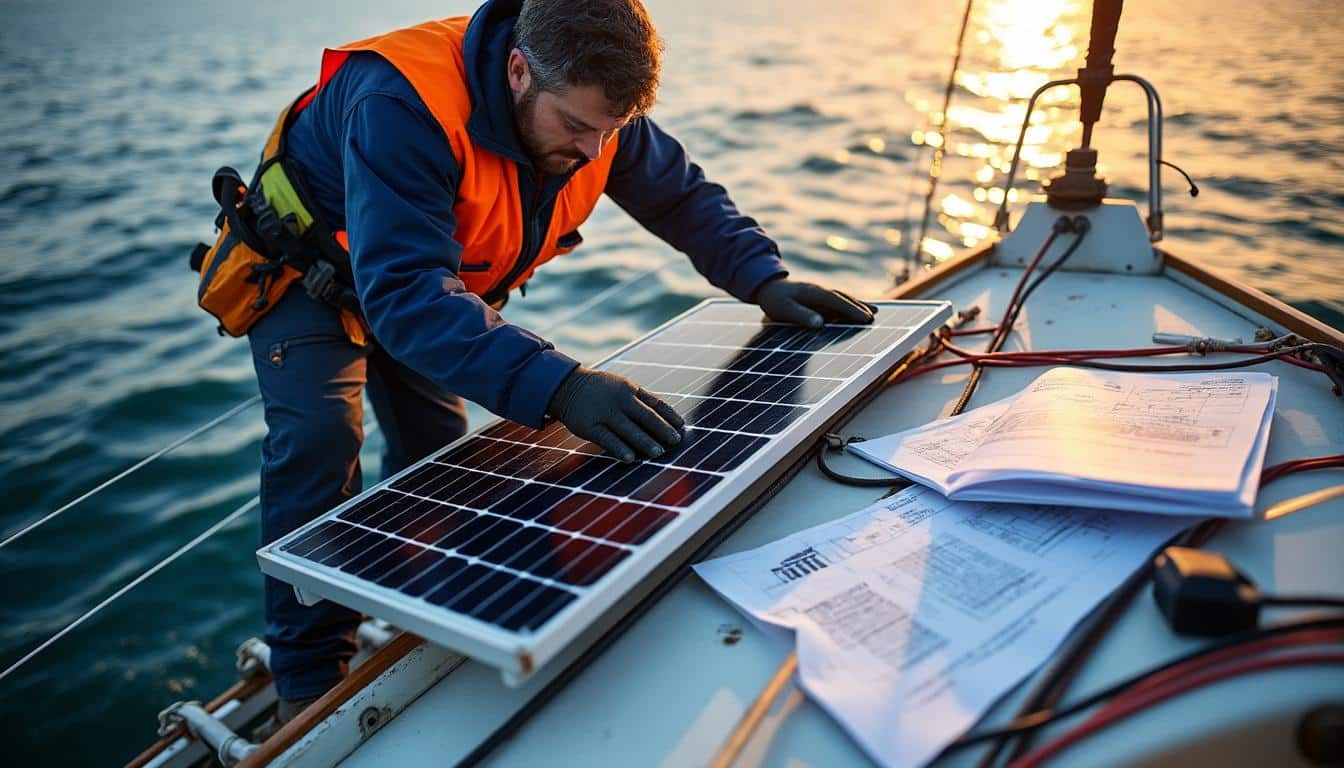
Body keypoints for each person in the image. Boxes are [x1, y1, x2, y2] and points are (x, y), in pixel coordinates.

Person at [237, 0, 876, 724]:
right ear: (518, 71)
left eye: (611, 131)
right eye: (576, 127)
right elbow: (406, 296)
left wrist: (763, 279)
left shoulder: (594, 114)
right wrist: (564, 388)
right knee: (319, 441)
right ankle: (306, 680)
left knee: (435, 451)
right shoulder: (401, 102)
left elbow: (679, 196)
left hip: (424, 280)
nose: (593, 151)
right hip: (312, 274)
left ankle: (427, 607)